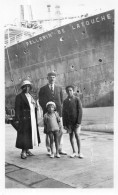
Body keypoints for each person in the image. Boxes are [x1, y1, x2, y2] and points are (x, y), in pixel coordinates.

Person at [39, 71, 67, 155]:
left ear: (55, 78)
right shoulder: (43, 89)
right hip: (48, 114)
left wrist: (56, 109)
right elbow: (41, 101)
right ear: (47, 78)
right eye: (50, 77)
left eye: (53, 77)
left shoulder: (59, 88)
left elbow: (61, 100)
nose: (52, 79)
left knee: (60, 130)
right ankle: (49, 149)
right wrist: (48, 109)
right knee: (48, 131)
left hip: (58, 113)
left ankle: (60, 148)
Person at [14, 80, 41, 159]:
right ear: (22, 87)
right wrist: (17, 119)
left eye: (28, 86)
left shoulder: (31, 96)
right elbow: (17, 108)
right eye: (25, 86)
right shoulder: (19, 96)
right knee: (24, 135)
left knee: (30, 134)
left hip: (32, 118)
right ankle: (23, 151)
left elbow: (33, 106)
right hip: (24, 119)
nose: (27, 88)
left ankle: (28, 150)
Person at [63, 85, 84, 158]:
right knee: (71, 136)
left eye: (70, 90)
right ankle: (74, 151)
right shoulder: (65, 101)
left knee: (77, 135)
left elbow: (80, 111)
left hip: (76, 122)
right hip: (69, 123)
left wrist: (78, 122)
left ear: (73, 91)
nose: (69, 92)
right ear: (66, 92)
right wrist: (64, 124)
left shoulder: (77, 99)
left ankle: (80, 152)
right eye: (68, 91)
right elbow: (64, 113)